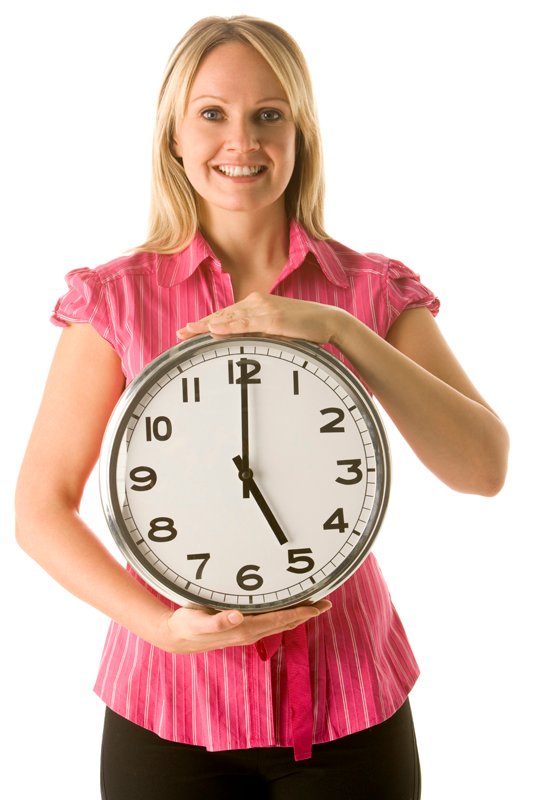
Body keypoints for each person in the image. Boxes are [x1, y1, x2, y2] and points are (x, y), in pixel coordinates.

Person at [15, 15, 509, 800]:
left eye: (268, 115)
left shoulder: (369, 292)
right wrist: (161, 627)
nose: (240, 141)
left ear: (300, 133)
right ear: (174, 136)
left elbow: (483, 469)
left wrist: (342, 329)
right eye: (212, 113)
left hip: (349, 702)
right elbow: (40, 509)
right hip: (168, 706)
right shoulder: (115, 301)